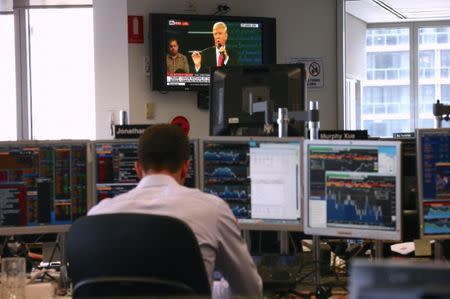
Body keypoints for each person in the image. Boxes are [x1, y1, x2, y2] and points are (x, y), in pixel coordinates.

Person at [88, 124, 262, 298]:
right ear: (186, 168)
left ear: (138, 169)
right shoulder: (213, 210)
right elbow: (250, 291)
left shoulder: (97, 216)